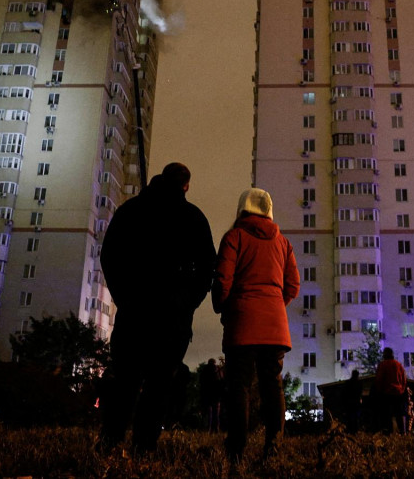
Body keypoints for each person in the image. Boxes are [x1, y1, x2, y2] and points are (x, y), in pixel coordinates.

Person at [98, 162, 216, 455]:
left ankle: (111, 441)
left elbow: (109, 256)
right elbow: (207, 268)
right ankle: (144, 446)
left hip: (134, 311)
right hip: (172, 318)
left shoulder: (131, 211)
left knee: (126, 380)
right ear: (186, 185)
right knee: (159, 385)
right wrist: (189, 302)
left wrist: (123, 296)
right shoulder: (193, 218)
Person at [212, 188, 299, 462]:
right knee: (272, 384)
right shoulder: (283, 243)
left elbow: (223, 280)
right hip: (275, 326)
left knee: (240, 385)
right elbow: (293, 285)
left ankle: (236, 448)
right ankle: (274, 445)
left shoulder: (234, 237)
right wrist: (274, 305)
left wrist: (226, 307)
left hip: (243, 323)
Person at [374, 347, 408, 434]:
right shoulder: (398, 365)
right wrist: (401, 390)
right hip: (398, 393)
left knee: (386, 414)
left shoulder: (383, 365)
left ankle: (388, 432)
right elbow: (404, 380)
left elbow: (379, 379)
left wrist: (380, 391)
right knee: (399, 414)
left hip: (386, 394)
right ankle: (402, 432)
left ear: (385, 355)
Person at [199, 358, 223, 433]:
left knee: (209, 412)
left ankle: (208, 429)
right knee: (216, 413)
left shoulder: (205, 370)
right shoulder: (218, 370)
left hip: (207, 394)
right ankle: (216, 429)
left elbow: (201, 382)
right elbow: (222, 381)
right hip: (216, 395)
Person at [344, 369, 363, 433]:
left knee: (349, 417)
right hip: (356, 402)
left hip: (349, 403)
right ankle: (355, 430)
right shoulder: (359, 383)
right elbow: (360, 393)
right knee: (356, 418)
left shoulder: (348, 383)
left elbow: (345, 393)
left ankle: (350, 430)